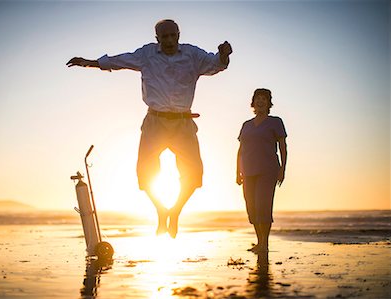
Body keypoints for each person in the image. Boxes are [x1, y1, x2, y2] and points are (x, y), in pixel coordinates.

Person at [67, 19, 233, 238]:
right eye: (164, 37)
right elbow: (119, 61)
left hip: (183, 122)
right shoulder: (147, 55)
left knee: (194, 175)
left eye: (172, 35)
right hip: (155, 121)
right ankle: (161, 211)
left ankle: (174, 212)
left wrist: (224, 55)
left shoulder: (192, 55)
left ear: (178, 35)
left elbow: (216, 65)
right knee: (144, 175)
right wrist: (88, 62)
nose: (169, 40)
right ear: (157, 38)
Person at [236, 88, 287, 252]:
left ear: (268, 102)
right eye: (258, 98)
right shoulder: (246, 125)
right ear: (253, 102)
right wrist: (237, 171)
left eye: (264, 99)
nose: (260, 101)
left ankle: (264, 243)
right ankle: (260, 242)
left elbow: (283, 147)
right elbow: (240, 149)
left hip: (268, 170)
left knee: (263, 206)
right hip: (248, 171)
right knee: (252, 208)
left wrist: (282, 169)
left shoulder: (275, 122)